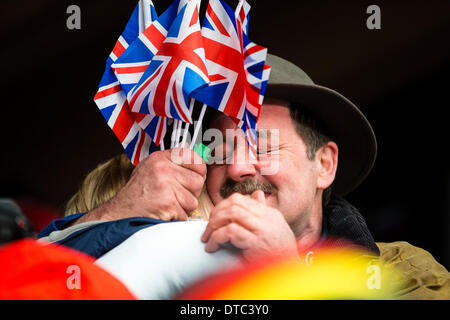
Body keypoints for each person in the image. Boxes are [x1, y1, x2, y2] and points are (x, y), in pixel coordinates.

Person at [38, 54, 449, 299]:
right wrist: (117, 212)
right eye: (219, 148)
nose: (237, 167)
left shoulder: (403, 268)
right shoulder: (186, 255)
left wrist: (286, 277)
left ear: (324, 164)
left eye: (264, 146)